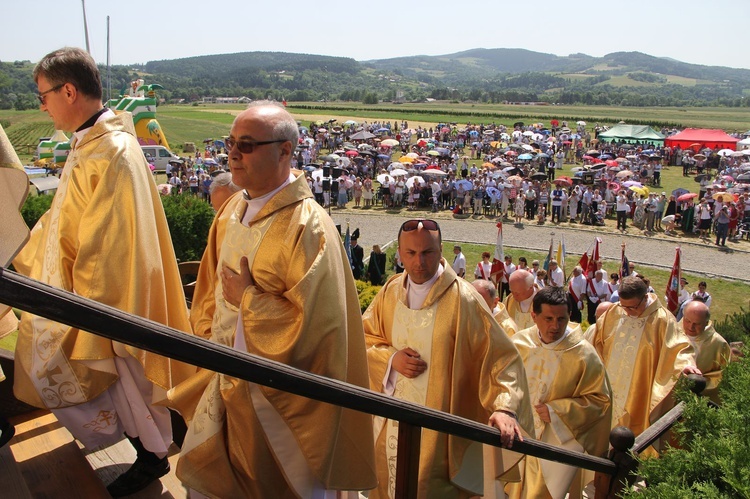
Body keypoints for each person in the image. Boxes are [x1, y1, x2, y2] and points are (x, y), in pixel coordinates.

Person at [167, 101, 376, 497]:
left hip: (278, 399)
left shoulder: (308, 227)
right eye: (230, 142)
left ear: (285, 151)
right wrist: (212, 340)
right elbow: (210, 290)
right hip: (224, 371)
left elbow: (319, 329)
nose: (232, 153)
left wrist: (248, 299)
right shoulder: (231, 207)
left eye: (246, 144)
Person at [12, 47, 194, 497]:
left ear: (68, 91)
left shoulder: (110, 150)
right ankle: (158, 450)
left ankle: (155, 457)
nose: (41, 105)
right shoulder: (91, 142)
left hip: (109, 297)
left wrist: (67, 292)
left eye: (44, 95)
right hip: (87, 288)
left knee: (130, 386)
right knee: (123, 390)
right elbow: (63, 219)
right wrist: (26, 251)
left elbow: (108, 247)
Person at [363, 219, 533, 498]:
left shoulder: (463, 299)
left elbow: (502, 359)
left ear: (441, 250)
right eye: (410, 253)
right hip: (389, 421)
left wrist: (504, 407)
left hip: (438, 435)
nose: (419, 262)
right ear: (400, 254)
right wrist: (391, 360)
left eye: (427, 252)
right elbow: (366, 337)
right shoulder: (391, 291)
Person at [504, 287, 611, 499]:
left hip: (556, 437)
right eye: (548, 318)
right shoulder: (520, 343)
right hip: (519, 429)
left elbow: (600, 401)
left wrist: (557, 411)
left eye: (562, 319)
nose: (555, 326)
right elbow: (503, 379)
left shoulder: (583, 354)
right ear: (533, 316)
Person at [589, 276, 699, 447]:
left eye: (633, 307)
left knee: (631, 438)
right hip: (608, 389)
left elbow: (679, 346)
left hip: (638, 392)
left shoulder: (662, 319)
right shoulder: (615, 312)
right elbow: (595, 341)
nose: (627, 312)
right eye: (623, 306)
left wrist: (687, 363)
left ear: (646, 296)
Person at [679, 301, 731, 403]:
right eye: (687, 321)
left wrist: (697, 384)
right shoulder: (672, 331)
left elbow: (723, 376)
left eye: (697, 324)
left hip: (699, 398)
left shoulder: (718, 344)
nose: (690, 327)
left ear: (706, 323)